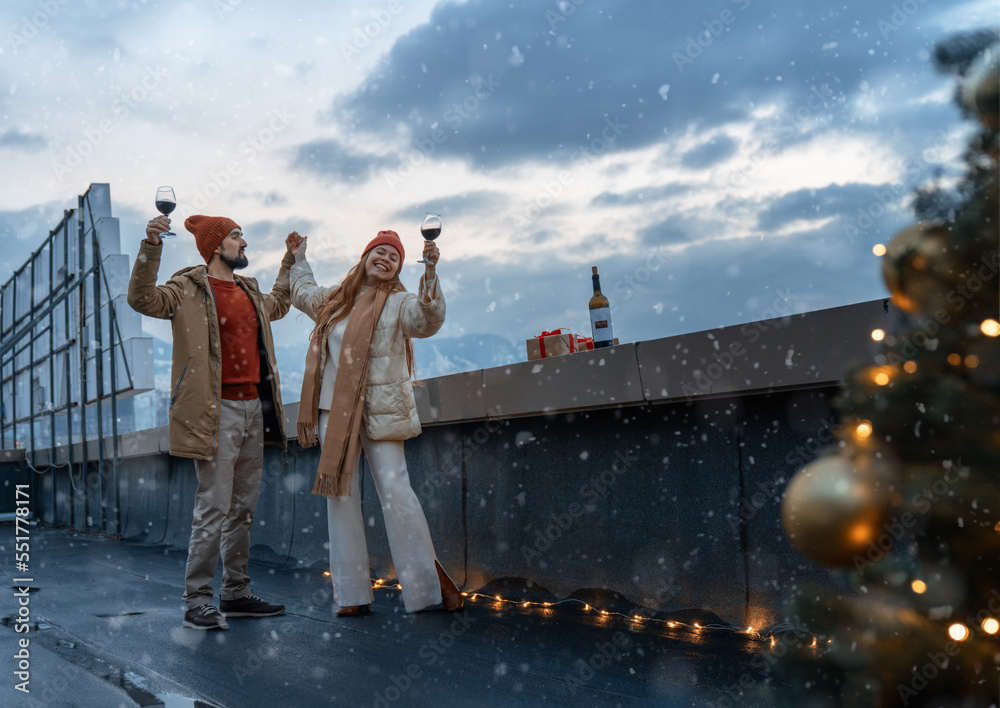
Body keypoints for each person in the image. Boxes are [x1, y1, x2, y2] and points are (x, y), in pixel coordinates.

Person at [127, 213, 295, 630]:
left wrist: (289, 263)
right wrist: (152, 247)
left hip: (255, 409)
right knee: (213, 507)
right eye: (237, 236)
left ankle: (235, 594)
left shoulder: (250, 289)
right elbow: (141, 299)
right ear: (217, 245)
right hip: (213, 411)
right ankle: (196, 600)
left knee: (242, 510)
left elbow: (281, 303)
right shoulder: (186, 289)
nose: (244, 243)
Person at [288, 229, 463, 616]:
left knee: (398, 493)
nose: (385, 259)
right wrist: (298, 258)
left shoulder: (399, 301)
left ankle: (425, 592)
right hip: (335, 410)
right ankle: (351, 596)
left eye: (394, 257)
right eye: (379, 252)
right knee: (340, 497)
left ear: (399, 267)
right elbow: (301, 291)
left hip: (380, 407)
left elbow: (427, 319)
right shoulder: (334, 299)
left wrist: (430, 274)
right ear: (366, 255)